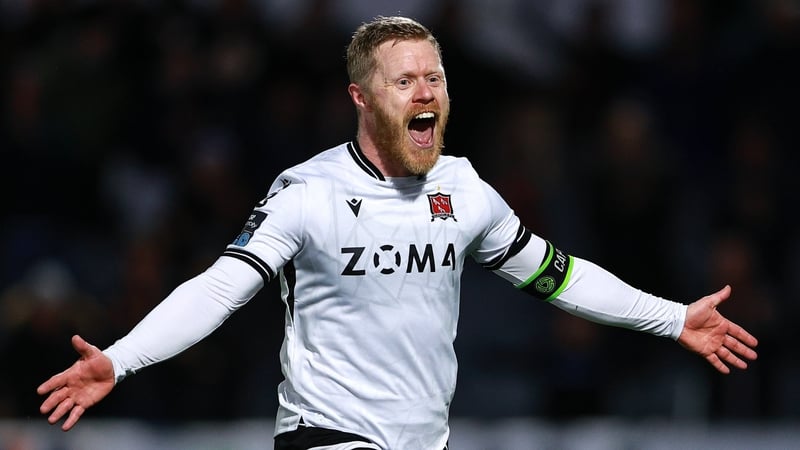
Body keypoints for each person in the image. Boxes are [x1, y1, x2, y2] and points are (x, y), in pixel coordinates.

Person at [38, 16, 758, 450]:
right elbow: (221, 288)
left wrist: (673, 319)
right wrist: (121, 360)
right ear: (361, 97)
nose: (426, 93)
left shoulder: (464, 189)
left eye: (435, 78)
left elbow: (557, 274)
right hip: (327, 437)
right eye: (405, 81)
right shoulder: (307, 192)